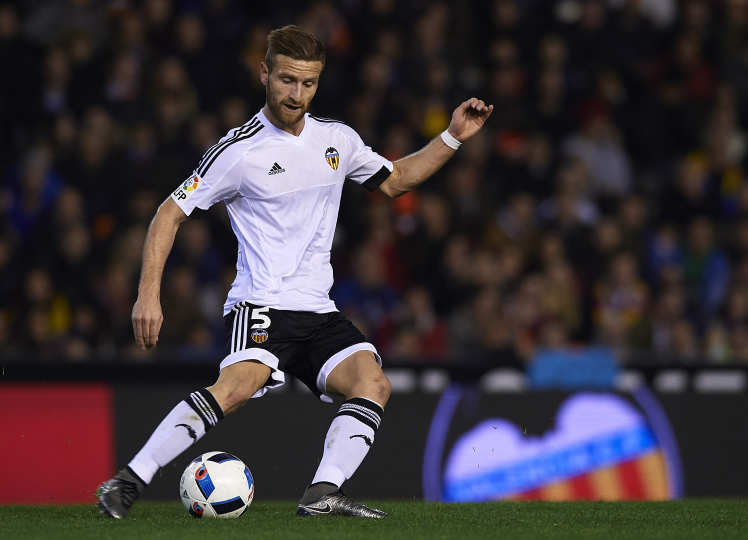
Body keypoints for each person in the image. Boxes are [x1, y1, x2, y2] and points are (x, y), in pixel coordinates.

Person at [96, 25, 492, 519]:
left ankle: (322, 493)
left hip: (318, 309)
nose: (296, 93)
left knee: (373, 383)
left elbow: (396, 181)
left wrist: (453, 136)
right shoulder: (238, 152)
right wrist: (147, 295)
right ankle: (127, 481)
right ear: (265, 74)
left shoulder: (337, 140)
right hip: (261, 303)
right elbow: (168, 213)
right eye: (286, 80)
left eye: (307, 83)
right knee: (238, 387)